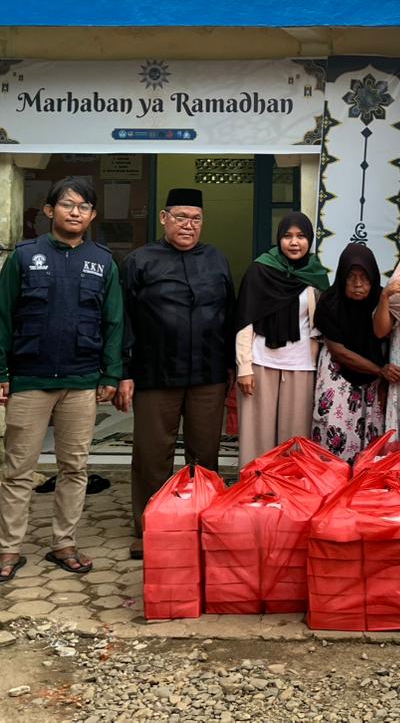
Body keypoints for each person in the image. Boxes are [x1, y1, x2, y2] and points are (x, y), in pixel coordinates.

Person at [0, 177, 123, 582]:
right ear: (49, 211)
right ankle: (9, 550)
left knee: (74, 468)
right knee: (18, 471)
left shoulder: (103, 261)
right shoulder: (25, 257)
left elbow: (114, 322)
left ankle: (64, 543)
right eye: (67, 204)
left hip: (81, 381)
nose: (75, 212)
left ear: (92, 215)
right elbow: (2, 316)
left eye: (84, 206)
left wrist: (111, 372)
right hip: (30, 379)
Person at [119, 187, 235, 560]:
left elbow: (230, 314)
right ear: (164, 218)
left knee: (205, 456)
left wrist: (232, 366)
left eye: (195, 218)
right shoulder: (139, 261)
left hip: (208, 373)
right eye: (181, 217)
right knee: (153, 455)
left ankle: (203, 523)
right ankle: (150, 527)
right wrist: (123, 371)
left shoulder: (216, 259)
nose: (188, 225)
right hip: (155, 373)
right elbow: (123, 320)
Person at [234, 212, 331, 466]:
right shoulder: (259, 270)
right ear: (279, 239)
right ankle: (255, 484)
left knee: (295, 440)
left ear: (310, 240)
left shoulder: (315, 274)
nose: (294, 242)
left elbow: (322, 322)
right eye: (288, 236)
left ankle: (291, 486)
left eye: (301, 236)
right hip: (260, 363)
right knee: (257, 437)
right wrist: (244, 367)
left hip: (301, 365)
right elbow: (244, 321)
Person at [312, 244, 400, 460]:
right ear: (342, 277)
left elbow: (384, 333)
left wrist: (384, 299)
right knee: (334, 428)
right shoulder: (329, 302)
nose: (358, 284)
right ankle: (333, 477)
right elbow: (338, 352)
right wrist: (380, 370)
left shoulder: (381, 299)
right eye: (351, 277)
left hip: (374, 380)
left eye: (364, 277)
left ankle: (364, 479)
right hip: (339, 372)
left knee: (371, 438)